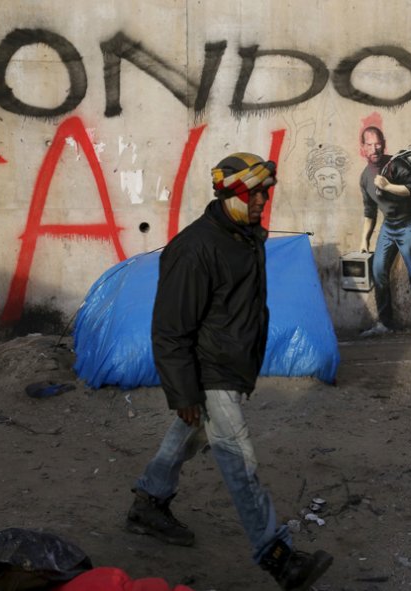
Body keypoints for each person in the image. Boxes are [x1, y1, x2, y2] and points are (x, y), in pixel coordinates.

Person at [124, 152, 333, 591]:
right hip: (209, 370)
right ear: (230, 193)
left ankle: (149, 502)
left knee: (190, 433)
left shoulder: (244, 235)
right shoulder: (195, 248)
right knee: (240, 460)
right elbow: (170, 329)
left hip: (229, 366)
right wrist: (182, 393)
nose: (262, 201)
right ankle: (279, 558)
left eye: (265, 193)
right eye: (254, 193)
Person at [357, 126, 411, 336]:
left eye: (377, 143)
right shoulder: (364, 178)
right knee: (378, 271)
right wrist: (364, 239)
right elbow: (369, 211)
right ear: (362, 148)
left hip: (408, 223)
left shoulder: (395, 164)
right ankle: (385, 323)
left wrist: (388, 186)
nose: (374, 148)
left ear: (383, 143)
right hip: (388, 227)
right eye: (369, 144)